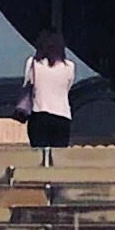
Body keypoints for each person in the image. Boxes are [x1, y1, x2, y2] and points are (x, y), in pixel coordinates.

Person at [23, 29, 78, 157]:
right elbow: (67, 88)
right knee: (58, 158)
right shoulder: (69, 66)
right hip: (62, 116)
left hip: (39, 115)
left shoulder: (32, 63)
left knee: (38, 157)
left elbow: (27, 84)